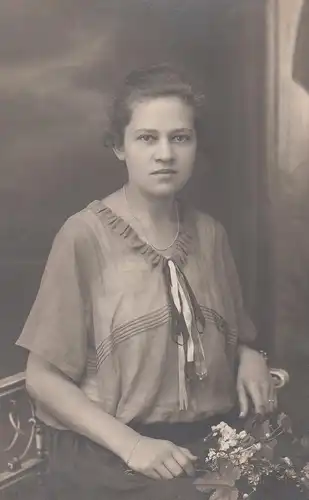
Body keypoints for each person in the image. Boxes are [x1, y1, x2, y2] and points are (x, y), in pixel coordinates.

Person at [16, 64, 276, 500]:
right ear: (119, 147)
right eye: (146, 138)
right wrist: (133, 446)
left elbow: (230, 333)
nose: (165, 154)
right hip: (110, 452)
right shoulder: (84, 235)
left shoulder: (210, 234)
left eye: (180, 138)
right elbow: (40, 379)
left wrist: (251, 353)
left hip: (203, 441)